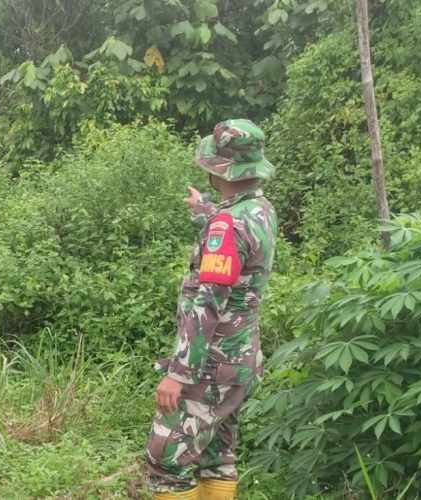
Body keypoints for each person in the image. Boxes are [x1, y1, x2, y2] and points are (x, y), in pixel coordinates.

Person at [144, 119, 278, 500]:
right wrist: (205, 209)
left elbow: (208, 304)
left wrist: (178, 374)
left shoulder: (227, 224)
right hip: (240, 359)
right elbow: (236, 238)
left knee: (165, 456)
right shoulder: (260, 210)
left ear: (219, 170)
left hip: (210, 365)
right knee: (217, 454)